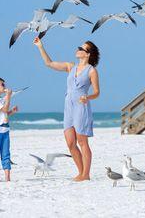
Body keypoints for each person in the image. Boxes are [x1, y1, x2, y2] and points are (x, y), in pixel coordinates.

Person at [34, 37, 100, 181]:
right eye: (79, 47)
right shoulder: (71, 66)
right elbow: (49, 63)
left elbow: (97, 92)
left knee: (82, 142)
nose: (78, 49)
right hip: (68, 106)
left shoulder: (91, 71)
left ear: (88, 54)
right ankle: (81, 172)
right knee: (70, 143)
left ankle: (85, 174)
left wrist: (87, 97)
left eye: (82, 49)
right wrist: (40, 46)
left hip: (81, 106)